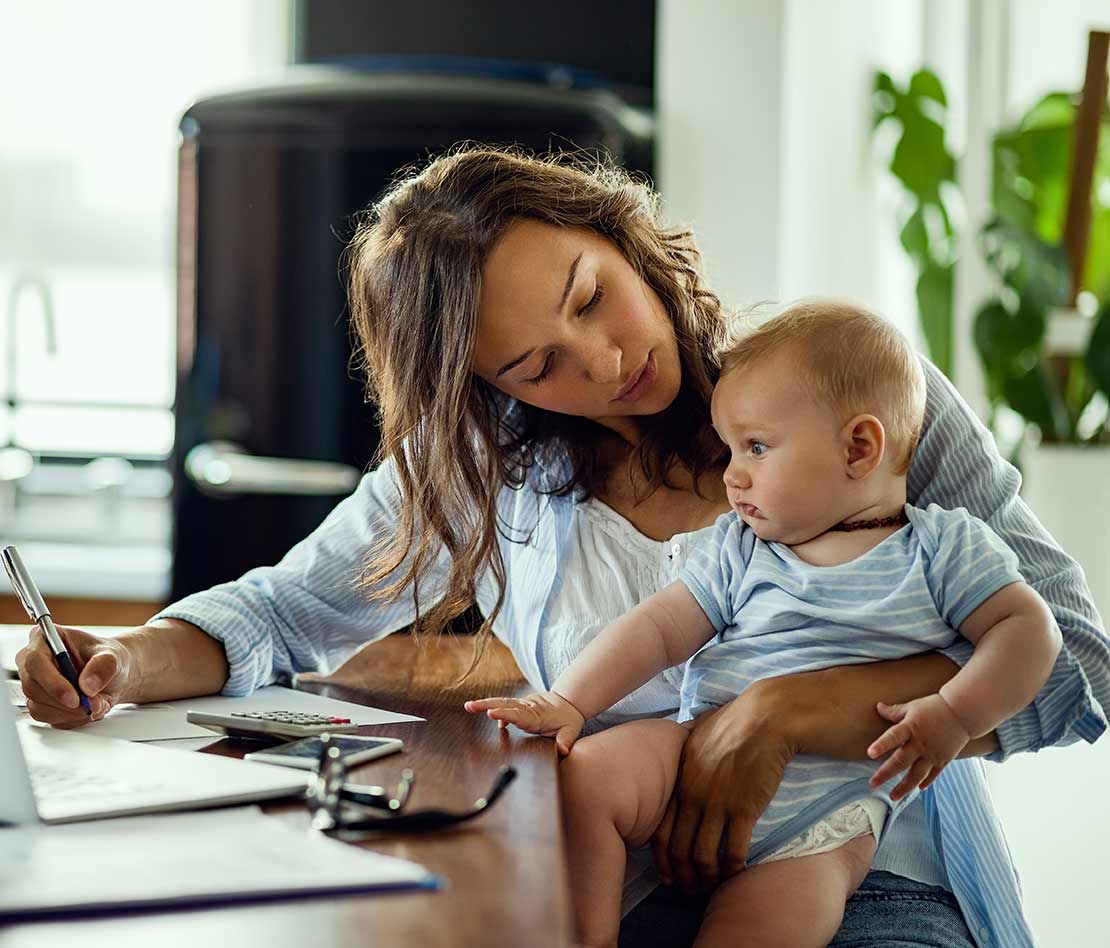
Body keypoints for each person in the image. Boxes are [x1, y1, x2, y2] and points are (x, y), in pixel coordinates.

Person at [14, 147, 1109, 948]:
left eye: (593, 297)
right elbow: (282, 613)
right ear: (487, 390)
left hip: (869, 885)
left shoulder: (852, 399)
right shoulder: (489, 465)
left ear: (622, 235)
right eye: (535, 365)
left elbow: (1078, 668)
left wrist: (778, 715)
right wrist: (122, 661)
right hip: (618, 887)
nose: (601, 362)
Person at [464, 302, 1063, 948]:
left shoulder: (942, 549)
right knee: (587, 777)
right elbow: (659, 630)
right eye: (729, 450)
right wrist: (569, 702)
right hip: (697, 754)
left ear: (859, 447)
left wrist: (955, 713)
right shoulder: (742, 547)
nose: (732, 475)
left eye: (755, 447)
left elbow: (1031, 631)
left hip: (822, 824)